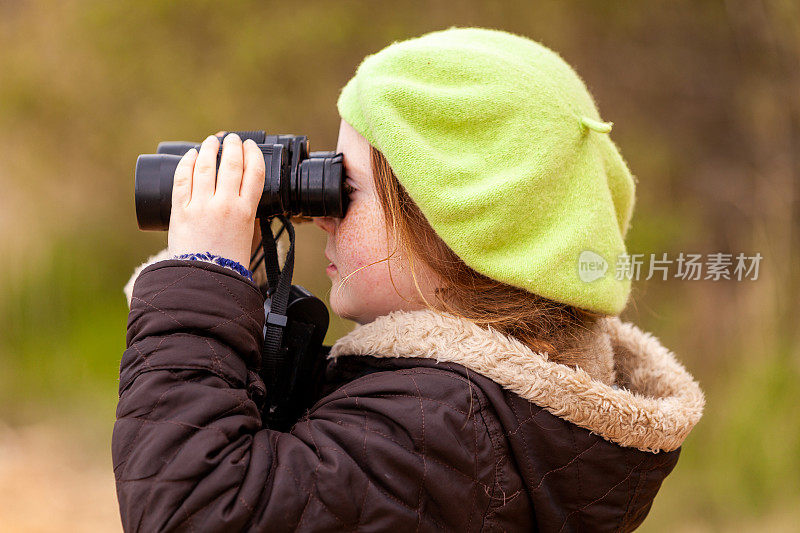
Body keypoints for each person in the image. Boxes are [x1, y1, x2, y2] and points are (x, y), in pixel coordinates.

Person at [116, 27, 704, 532]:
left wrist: (202, 279)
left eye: (348, 190)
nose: (322, 214)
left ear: (453, 227)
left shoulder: (447, 430)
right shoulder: (471, 415)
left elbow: (197, 510)